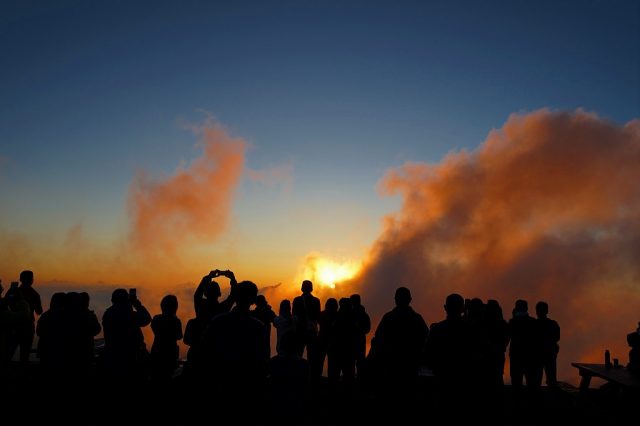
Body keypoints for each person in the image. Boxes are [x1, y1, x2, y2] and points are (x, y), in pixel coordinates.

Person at [372, 287, 429, 394]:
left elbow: (378, 338)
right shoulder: (416, 318)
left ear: (396, 299)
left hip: (392, 363)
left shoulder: (388, 317)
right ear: (410, 300)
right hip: (410, 362)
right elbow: (425, 337)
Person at [292, 280, 321, 379]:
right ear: (311, 288)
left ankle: (297, 374)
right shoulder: (316, 301)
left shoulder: (297, 300)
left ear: (302, 288)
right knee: (312, 356)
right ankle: (311, 376)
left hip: (299, 331)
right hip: (312, 331)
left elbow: (294, 316)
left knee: (298, 354)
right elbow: (318, 316)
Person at [535, 301, 560, 387]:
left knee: (536, 378)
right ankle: (552, 398)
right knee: (551, 378)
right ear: (547, 311)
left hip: (537, 354)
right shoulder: (553, 324)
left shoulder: (533, 324)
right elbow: (557, 338)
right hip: (550, 354)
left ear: (537, 311)